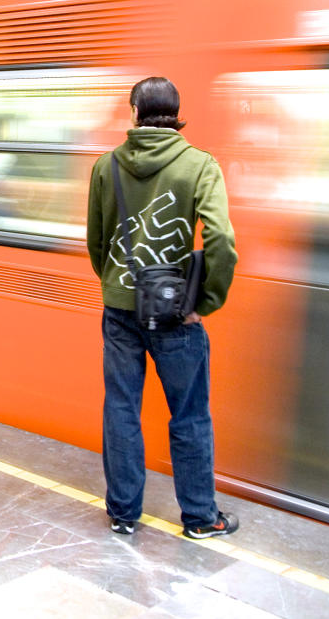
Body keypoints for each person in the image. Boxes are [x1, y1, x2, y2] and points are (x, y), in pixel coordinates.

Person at [87, 77, 240, 540]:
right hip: (177, 314)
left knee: (121, 408)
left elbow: (96, 241)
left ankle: (123, 513)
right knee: (189, 414)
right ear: (176, 113)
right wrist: (204, 302)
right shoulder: (199, 165)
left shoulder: (105, 166)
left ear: (134, 112)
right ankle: (198, 517)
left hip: (120, 312)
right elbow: (221, 241)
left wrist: (116, 286)